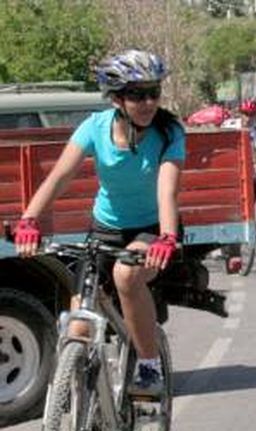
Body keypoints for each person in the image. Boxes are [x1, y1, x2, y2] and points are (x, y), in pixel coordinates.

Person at [14, 49, 184, 398]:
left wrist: (167, 237)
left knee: (126, 274)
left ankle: (149, 366)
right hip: (105, 226)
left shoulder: (169, 132)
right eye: (138, 95)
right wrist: (29, 219)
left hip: (151, 229)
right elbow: (60, 176)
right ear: (118, 98)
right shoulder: (94, 127)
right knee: (78, 324)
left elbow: (167, 191)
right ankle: (79, 408)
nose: (149, 102)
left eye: (154, 92)